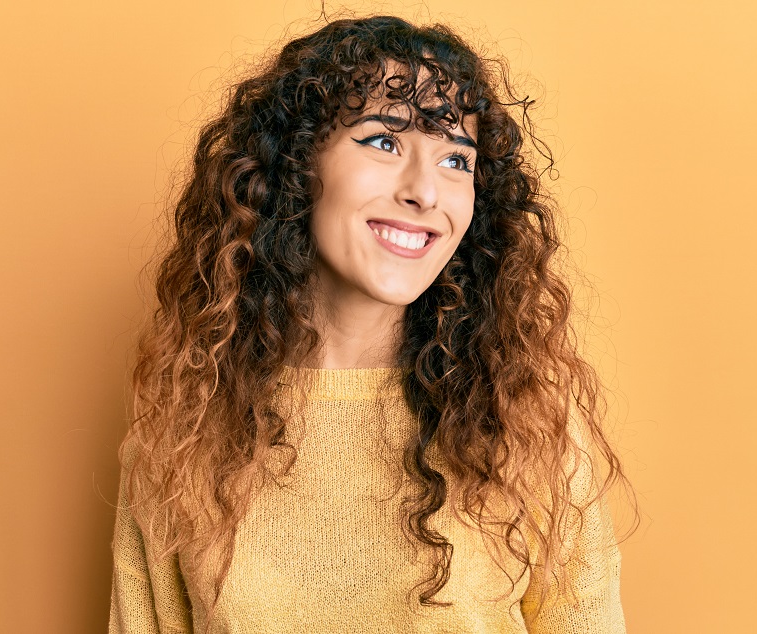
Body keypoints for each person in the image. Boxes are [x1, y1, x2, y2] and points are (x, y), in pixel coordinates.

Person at [109, 15, 632, 634]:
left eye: (455, 160)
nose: (425, 192)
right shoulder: (187, 420)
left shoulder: (526, 417)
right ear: (297, 168)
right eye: (385, 141)